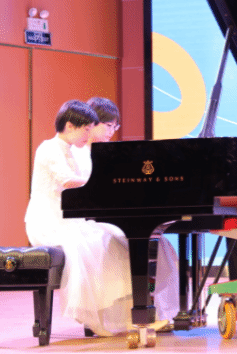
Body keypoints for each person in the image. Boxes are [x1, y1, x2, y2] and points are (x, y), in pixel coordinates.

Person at [24, 100, 176, 337]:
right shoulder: (49, 148)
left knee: (121, 242)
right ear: (70, 126)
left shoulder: (70, 150)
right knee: (103, 244)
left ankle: (136, 314)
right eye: (86, 129)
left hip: (72, 220)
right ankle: (102, 319)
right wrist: (107, 184)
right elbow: (68, 182)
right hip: (50, 222)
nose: (89, 135)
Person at [72, 97, 179, 329]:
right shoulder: (77, 154)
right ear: (91, 123)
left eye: (115, 126)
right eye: (108, 125)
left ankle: (158, 310)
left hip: (109, 216)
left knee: (161, 245)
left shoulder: (112, 154)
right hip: (86, 220)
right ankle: (124, 316)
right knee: (120, 243)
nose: (112, 131)